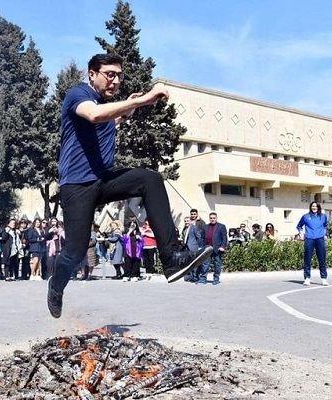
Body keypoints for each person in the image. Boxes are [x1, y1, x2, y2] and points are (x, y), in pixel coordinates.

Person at [46, 54, 212, 318]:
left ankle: (171, 259)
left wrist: (132, 107)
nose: (115, 80)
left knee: (150, 179)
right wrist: (144, 99)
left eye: (119, 75)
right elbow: (94, 116)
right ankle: (56, 285)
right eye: (109, 74)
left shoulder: (106, 105)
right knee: (75, 250)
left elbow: (109, 120)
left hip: (103, 179)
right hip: (77, 186)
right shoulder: (79, 94)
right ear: (92, 74)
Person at [297, 201, 329, 286]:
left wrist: (325, 233)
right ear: (310, 207)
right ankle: (307, 278)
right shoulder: (305, 217)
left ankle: (324, 278)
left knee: (322, 259)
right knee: (307, 259)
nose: (314, 208)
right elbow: (299, 225)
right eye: (312, 206)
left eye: (315, 206)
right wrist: (301, 233)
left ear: (318, 207)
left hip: (320, 239)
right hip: (309, 239)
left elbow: (326, 225)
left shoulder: (323, 216)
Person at [197, 212, 228, 285]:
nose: (212, 219)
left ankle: (216, 279)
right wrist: (201, 247)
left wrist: (222, 247)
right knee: (205, 264)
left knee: (217, 264)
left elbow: (224, 238)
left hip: (217, 249)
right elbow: (202, 238)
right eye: (211, 218)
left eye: (214, 218)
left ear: (216, 218)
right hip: (207, 248)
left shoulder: (221, 226)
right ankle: (203, 278)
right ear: (209, 218)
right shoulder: (205, 226)